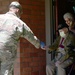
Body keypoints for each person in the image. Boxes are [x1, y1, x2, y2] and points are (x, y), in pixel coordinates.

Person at [0, 1, 42, 75]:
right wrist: (39, 44)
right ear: (18, 10)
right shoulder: (19, 23)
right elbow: (31, 37)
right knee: (6, 72)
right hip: (7, 52)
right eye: (20, 13)